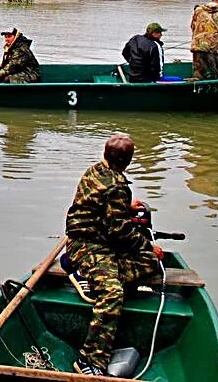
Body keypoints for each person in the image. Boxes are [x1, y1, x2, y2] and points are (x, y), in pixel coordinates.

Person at [64, 133, 163, 376]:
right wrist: (149, 246)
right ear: (128, 161)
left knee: (147, 263)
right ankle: (90, 360)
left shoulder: (96, 170)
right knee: (113, 293)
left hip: (93, 241)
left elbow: (98, 200)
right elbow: (121, 232)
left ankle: (89, 275)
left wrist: (125, 206)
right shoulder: (117, 187)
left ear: (105, 155)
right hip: (88, 247)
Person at [190, 0, 218, 81]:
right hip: (214, 47)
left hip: (198, 45)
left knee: (198, 75)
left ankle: (197, 90)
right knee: (216, 74)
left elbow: (193, 26)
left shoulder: (198, 10)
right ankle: (216, 90)